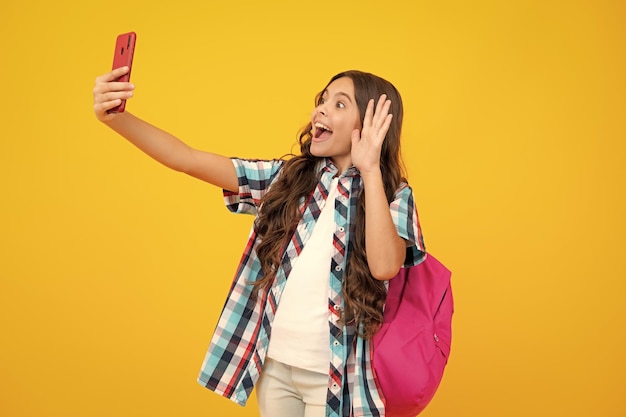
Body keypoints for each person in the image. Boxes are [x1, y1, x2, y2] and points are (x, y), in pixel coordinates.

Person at [93, 66, 425, 417]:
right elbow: (186, 159)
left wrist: (370, 170)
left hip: (337, 377)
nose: (321, 109)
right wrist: (116, 119)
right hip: (275, 368)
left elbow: (385, 265)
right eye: (322, 100)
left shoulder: (392, 195)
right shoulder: (288, 180)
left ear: (374, 126)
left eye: (340, 105)